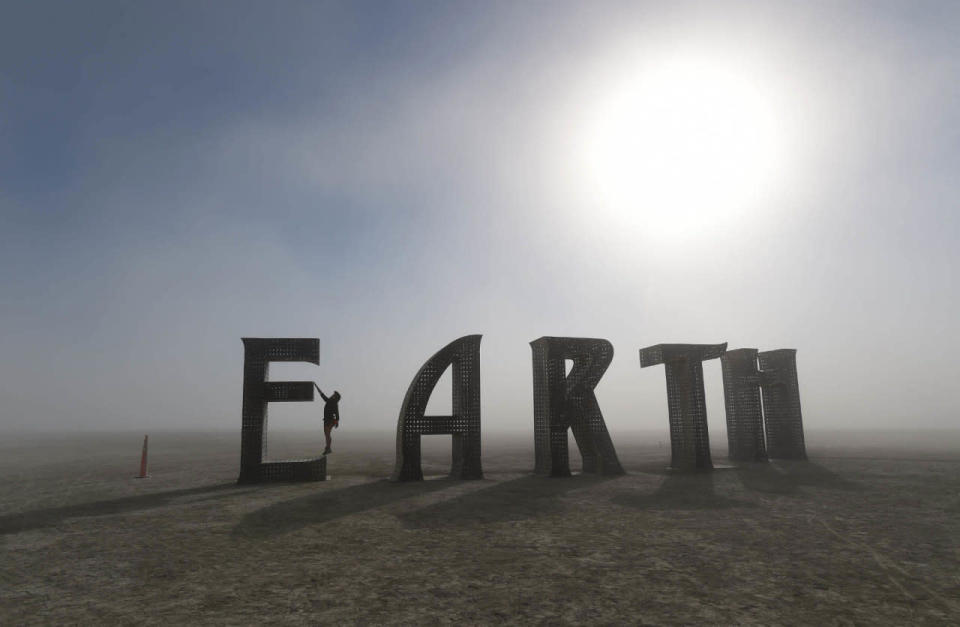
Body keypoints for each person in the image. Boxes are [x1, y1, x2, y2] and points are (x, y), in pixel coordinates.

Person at [316, 386, 341, 454]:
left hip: (329, 421)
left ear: (335, 397)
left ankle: (328, 448)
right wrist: (317, 388)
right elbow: (323, 396)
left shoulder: (333, 402)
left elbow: (337, 413)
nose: (332, 395)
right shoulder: (331, 401)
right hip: (328, 420)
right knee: (327, 434)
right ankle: (328, 448)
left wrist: (336, 421)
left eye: (334, 394)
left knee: (327, 434)